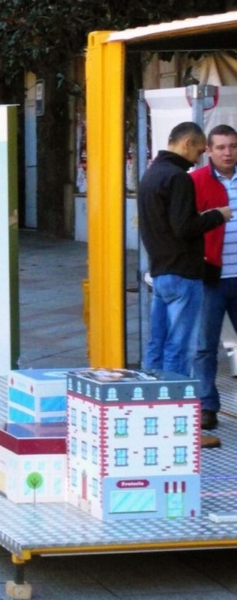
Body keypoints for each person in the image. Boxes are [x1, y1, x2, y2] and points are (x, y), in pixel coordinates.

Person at [139, 122, 229, 381]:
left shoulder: (151, 173)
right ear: (187, 143)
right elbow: (184, 227)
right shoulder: (178, 178)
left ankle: (150, 400)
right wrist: (217, 215)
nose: (198, 158)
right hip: (183, 273)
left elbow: (166, 223)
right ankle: (171, 403)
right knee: (179, 347)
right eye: (199, 151)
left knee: (157, 344)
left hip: (160, 272)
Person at [193, 124, 237, 433]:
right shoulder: (195, 182)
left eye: (232, 146)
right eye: (220, 146)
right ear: (208, 150)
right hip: (212, 277)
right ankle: (207, 406)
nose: (227, 152)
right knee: (205, 346)